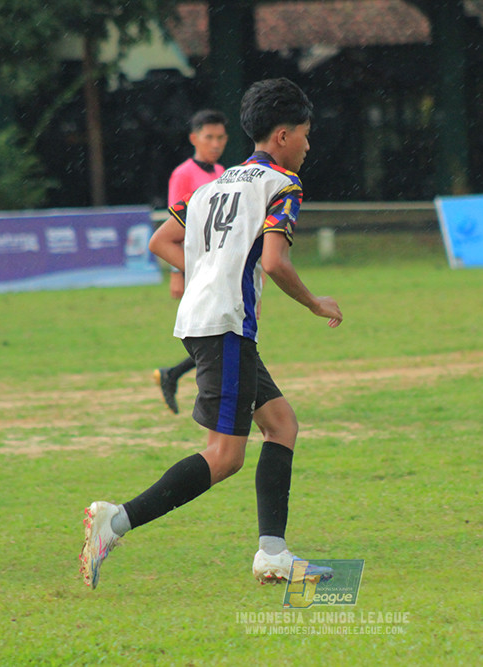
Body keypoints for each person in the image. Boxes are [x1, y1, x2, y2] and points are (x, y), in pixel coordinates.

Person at [79, 78, 343, 589]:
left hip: (209, 321)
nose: (309, 145)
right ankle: (115, 521)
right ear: (284, 135)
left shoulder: (212, 185)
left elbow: (162, 239)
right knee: (225, 456)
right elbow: (274, 261)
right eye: (307, 135)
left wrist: (206, 272)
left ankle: (272, 553)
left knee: (281, 424)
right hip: (224, 324)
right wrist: (314, 302)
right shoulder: (281, 185)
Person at [153, 110, 229, 414]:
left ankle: (173, 375)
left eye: (220, 137)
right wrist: (177, 271)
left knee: (218, 332)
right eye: (209, 137)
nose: (215, 143)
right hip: (195, 266)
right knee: (214, 333)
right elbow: (173, 224)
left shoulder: (222, 171)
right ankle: (210, 395)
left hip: (216, 264)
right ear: (193, 138)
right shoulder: (183, 174)